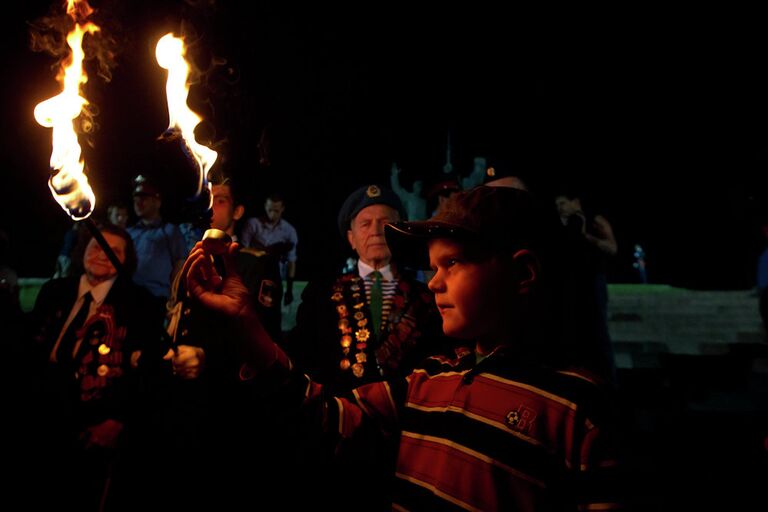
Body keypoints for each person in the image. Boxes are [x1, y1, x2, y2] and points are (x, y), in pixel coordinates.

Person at [184, 186, 623, 511]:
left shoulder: (579, 407)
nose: (433, 282)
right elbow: (326, 417)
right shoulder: (430, 380)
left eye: (452, 262)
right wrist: (246, 327)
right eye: (432, 267)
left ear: (523, 273)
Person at [24, 224, 163, 510]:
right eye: (97, 247)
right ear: (82, 250)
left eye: (114, 251)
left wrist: (117, 420)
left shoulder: (139, 303)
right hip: (41, 410)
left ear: (126, 261)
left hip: (94, 420)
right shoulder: (55, 291)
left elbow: (145, 373)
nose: (103, 255)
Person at [555, 188, 619, 385]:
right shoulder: (563, 225)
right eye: (557, 205)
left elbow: (612, 248)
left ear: (575, 202)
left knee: (598, 329)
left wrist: (585, 236)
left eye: (563, 203)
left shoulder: (594, 220)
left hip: (593, 278)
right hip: (574, 280)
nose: (560, 208)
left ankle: (609, 381)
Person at [127, 175, 187, 302]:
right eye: (136, 198)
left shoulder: (170, 231)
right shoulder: (129, 232)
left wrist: (174, 297)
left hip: (155, 299)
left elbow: (179, 265)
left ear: (157, 202)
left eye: (144, 197)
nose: (138, 202)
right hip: (127, 295)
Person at [240, 192, 298, 306]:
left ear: (282, 209)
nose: (272, 214)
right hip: (252, 278)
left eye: (276, 211)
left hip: (276, 279)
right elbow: (241, 249)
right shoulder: (253, 224)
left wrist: (289, 289)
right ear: (265, 207)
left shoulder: (289, 231)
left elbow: (292, 261)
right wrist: (268, 252)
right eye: (270, 210)